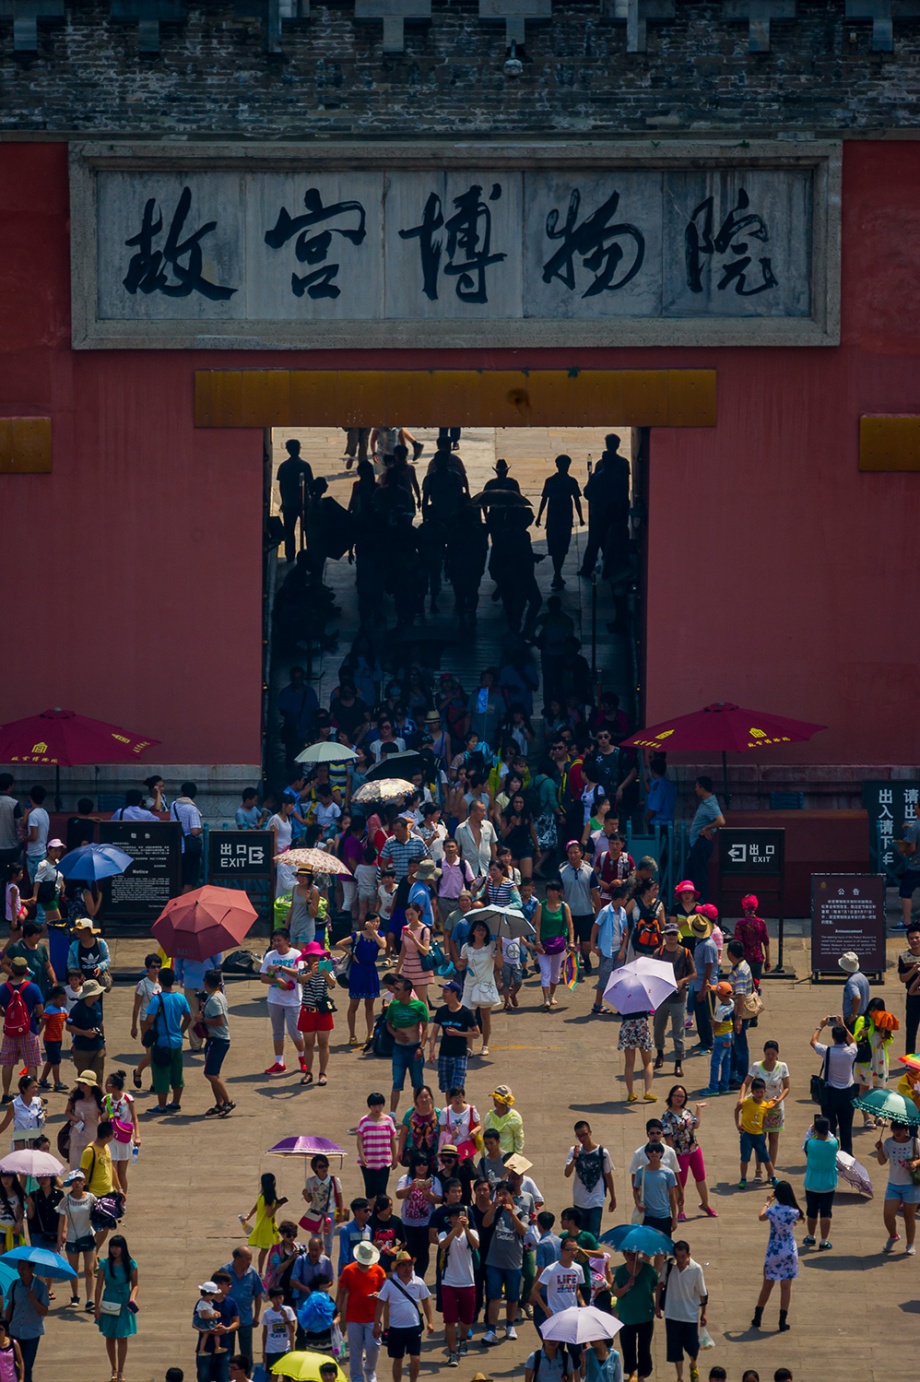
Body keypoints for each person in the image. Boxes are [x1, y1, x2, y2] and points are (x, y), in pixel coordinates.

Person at [373, 1250, 434, 1382]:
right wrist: (377, 1324)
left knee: (415, 1358)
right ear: (398, 1267)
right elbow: (380, 1304)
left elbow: (426, 1302)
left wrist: (430, 1322)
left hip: (414, 1327)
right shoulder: (389, 1284)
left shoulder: (419, 1282)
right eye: (404, 1265)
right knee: (398, 1358)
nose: (408, 1269)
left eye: (410, 1265)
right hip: (396, 1327)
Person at [481, 1179, 527, 1345]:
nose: (502, 1197)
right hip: (494, 1262)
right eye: (499, 1194)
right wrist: (494, 1206)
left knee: (513, 1298)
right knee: (493, 1297)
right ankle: (491, 1330)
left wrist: (512, 1214)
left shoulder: (521, 1213)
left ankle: (509, 1326)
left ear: (512, 1194)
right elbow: (485, 1223)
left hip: (513, 1263)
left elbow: (523, 1231)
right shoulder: (496, 1211)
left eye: (505, 1194)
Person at [751, 1182, 801, 1332]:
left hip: (774, 1250)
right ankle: (782, 1321)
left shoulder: (773, 1211)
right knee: (786, 1288)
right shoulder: (795, 1212)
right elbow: (796, 1222)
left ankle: (758, 1317)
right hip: (789, 1251)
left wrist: (767, 1201)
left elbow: (761, 1217)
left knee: (767, 1285)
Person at [662, 1086, 717, 1220]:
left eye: (681, 1096)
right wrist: (672, 1155)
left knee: (701, 1177)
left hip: (694, 1149)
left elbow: (695, 1125)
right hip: (679, 1153)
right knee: (681, 1183)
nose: (679, 1098)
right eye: (676, 1095)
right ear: (671, 1097)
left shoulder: (687, 1111)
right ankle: (680, 1209)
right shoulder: (667, 1116)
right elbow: (668, 1137)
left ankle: (705, 1204)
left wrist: (698, 1109)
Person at [141, 968, 191, 1114]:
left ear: (160, 981)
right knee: (177, 1074)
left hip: (162, 1043)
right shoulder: (181, 998)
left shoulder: (157, 999)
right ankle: (175, 1102)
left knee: (161, 1075)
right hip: (177, 1043)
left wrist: (145, 1034)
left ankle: (161, 1106)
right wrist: (181, 1032)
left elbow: (149, 1020)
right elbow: (188, 1017)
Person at [657, 1239, 707, 1382]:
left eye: (683, 1256)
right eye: (677, 1256)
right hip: (672, 1313)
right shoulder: (669, 1266)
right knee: (675, 1349)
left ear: (689, 1255)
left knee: (692, 1347)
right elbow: (660, 1285)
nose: (679, 1260)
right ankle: (680, 1377)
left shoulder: (696, 1269)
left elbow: (703, 1293)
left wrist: (704, 1313)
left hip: (690, 1315)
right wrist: (657, 1307)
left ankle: (693, 1364)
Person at [259, 929, 306, 1077]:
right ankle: (279, 1062)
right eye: (274, 941)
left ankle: (303, 1057)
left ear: (287, 941)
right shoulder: (270, 956)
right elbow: (263, 978)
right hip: (275, 999)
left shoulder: (296, 955)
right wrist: (277, 980)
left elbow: (300, 975)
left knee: (295, 1032)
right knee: (278, 1032)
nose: (276, 943)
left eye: (279, 940)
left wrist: (281, 968)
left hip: (293, 1000)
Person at [739, 1040, 791, 1175]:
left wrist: (778, 1100)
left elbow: (787, 1087)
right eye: (768, 1054)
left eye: (773, 1054)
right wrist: (742, 1098)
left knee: (774, 1139)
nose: (770, 1056)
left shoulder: (782, 1066)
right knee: (759, 1139)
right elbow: (745, 1083)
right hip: (757, 1106)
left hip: (775, 1107)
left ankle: (771, 1171)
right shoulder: (757, 1066)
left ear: (777, 1054)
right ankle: (758, 1170)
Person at [337, 1240, 386, 1382]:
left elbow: (385, 1291)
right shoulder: (348, 1270)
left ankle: (370, 1371)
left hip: (372, 1318)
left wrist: (378, 1295)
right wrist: (337, 1311)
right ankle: (357, 1378)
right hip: (353, 1317)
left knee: (373, 1348)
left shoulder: (379, 1271)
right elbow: (341, 1292)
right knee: (355, 1351)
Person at [437, 1202, 479, 1366]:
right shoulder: (444, 1233)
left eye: (462, 1216)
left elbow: (476, 1245)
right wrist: (455, 1230)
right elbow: (442, 1245)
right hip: (449, 1282)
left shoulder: (472, 1232)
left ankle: (462, 1340)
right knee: (449, 1320)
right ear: (451, 1219)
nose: (459, 1219)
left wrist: (466, 1229)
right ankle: (452, 1352)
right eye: (456, 1217)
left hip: (467, 1282)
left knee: (467, 1319)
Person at [94, 1233, 138, 1382]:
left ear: (123, 1248)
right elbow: (99, 1286)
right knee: (110, 1336)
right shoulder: (105, 1264)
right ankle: (114, 1368)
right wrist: (97, 1306)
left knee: (123, 1337)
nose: (115, 1250)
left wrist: (132, 1298)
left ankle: (121, 1371)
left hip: (125, 1300)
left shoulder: (131, 1264)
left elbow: (135, 1285)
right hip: (109, 1300)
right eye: (112, 1247)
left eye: (117, 1247)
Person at [810, 1017, 858, 1155]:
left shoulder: (828, 1051)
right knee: (846, 1127)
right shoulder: (851, 1052)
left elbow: (813, 1042)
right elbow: (853, 1041)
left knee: (829, 1126)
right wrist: (843, 1026)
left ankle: (830, 1151)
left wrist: (821, 1025)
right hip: (848, 1093)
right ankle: (847, 1154)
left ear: (833, 1037)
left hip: (830, 1094)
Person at [536, 454, 584, 590]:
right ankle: (558, 573)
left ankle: (557, 573)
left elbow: (544, 499)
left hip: (554, 517)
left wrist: (539, 516)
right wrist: (580, 517)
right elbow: (576, 500)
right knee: (561, 547)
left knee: (556, 546)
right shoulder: (571, 481)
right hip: (564, 517)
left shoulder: (550, 481)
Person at [654, 924, 695, 1076]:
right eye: (668, 934)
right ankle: (659, 1053)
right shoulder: (659, 953)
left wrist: (682, 981)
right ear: (664, 936)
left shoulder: (685, 952)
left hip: (679, 997)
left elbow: (693, 973)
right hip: (662, 997)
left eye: (674, 934)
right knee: (659, 1028)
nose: (671, 937)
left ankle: (678, 1061)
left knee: (678, 1031)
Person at [339, 912, 386, 1046]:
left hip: (370, 970)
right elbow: (340, 943)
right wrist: (351, 954)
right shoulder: (358, 935)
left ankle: (370, 1033)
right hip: (357, 970)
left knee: (369, 1005)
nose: (376, 924)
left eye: (377, 921)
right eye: (373, 921)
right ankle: (352, 1034)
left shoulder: (380, 935)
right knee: (354, 1004)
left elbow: (383, 945)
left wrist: (373, 931)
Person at [563, 1121, 616, 1239]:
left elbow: (608, 1175)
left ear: (590, 1132)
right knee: (580, 1235)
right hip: (579, 1200)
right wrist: (575, 1157)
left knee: (593, 1235)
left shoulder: (602, 1152)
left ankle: (592, 1257)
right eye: (579, 1135)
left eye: (584, 1134)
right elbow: (567, 1173)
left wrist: (613, 1197)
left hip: (596, 1200)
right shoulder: (574, 1151)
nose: (582, 1138)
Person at [456, 917, 501, 1054]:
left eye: (483, 929)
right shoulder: (466, 947)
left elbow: (499, 965)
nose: (481, 932)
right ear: (473, 932)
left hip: (486, 985)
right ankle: (469, 1047)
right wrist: (458, 965)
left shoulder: (492, 945)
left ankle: (485, 1045)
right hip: (470, 985)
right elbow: (462, 964)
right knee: (470, 1016)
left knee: (485, 1017)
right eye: (478, 929)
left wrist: (499, 947)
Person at [0, 958, 44, 1097]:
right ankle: (31, 1094)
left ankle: (6, 1093)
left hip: (10, 1031)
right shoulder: (33, 988)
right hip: (29, 1029)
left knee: (8, 1064)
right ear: (26, 971)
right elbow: (40, 1010)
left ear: (11, 970)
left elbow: (0, 1010)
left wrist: (6, 1014)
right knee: (31, 1063)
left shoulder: (3, 988)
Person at [875, 1119, 920, 1255]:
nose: (897, 1132)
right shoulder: (889, 1143)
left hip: (911, 1185)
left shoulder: (914, 1142)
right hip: (893, 1184)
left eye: (900, 1129)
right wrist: (879, 1150)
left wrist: (915, 1163)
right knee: (888, 1215)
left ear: (906, 1129)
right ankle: (893, 1235)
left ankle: (910, 1244)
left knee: (909, 1216)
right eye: (894, 1129)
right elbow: (882, 1162)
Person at [612, 1248, 657, 1382]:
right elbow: (617, 1293)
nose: (630, 1257)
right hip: (627, 1316)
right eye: (627, 1254)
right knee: (628, 1346)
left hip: (645, 1315)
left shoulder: (648, 1270)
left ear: (638, 1254)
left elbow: (656, 1284)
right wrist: (628, 1285)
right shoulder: (620, 1271)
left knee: (644, 1347)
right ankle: (632, 1373)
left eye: (633, 1254)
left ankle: (642, 1374)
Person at [427, 982, 479, 1095]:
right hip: (444, 1054)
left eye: (446, 991)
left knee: (457, 1089)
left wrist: (458, 1033)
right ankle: (449, 1111)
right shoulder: (441, 1011)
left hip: (459, 1055)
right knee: (447, 1090)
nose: (443, 994)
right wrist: (431, 1051)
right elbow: (434, 1032)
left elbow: (476, 1033)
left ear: (454, 993)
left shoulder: (466, 1013)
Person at [386, 977, 429, 1112]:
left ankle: (419, 1111)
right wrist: (395, 1034)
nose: (395, 992)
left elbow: (425, 1028)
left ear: (407, 991)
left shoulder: (419, 1006)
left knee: (417, 1082)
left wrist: (421, 1048)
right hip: (399, 1048)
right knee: (397, 1082)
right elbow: (388, 1023)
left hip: (414, 1047)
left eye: (398, 989)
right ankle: (392, 1113)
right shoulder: (394, 1005)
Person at [3, 1258, 48, 1382]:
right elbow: (11, 1306)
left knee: (27, 1366)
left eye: (24, 1268)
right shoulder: (15, 1285)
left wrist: (33, 1300)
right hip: (15, 1331)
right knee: (13, 1365)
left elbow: (44, 1311)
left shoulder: (40, 1287)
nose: (20, 1271)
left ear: (32, 1269)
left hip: (32, 1333)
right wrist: (6, 1328)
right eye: (19, 1267)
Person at [533, 880, 574, 1011]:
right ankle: (545, 998)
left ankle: (551, 994)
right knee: (545, 971)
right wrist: (537, 941)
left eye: (553, 890)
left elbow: (570, 924)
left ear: (559, 892)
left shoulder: (564, 907)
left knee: (555, 973)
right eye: (549, 890)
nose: (551, 893)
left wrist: (571, 940)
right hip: (543, 945)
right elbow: (537, 925)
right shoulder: (541, 906)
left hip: (558, 944)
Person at [218, 1247, 263, 1367]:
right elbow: (215, 1293)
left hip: (246, 1319)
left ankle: (246, 1377)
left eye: (251, 1259)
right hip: (227, 1320)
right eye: (247, 1259)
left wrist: (257, 1316)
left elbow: (258, 1294)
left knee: (246, 1353)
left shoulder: (252, 1273)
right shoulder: (224, 1271)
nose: (249, 1262)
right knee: (228, 1351)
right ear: (237, 1259)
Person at [685, 778, 724, 904]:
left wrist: (707, 828)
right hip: (697, 843)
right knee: (692, 872)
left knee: (700, 875)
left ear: (702, 788)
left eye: (697, 786)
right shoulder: (705, 803)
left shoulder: (710, 804)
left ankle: (702, 901)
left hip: (701, 843)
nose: (695, 789)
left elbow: (721, 821)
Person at [802, 1115, 838, 1251]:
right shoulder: (835, 1143)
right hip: (829, 1183)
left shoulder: (810, 1144)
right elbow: (833, 1137)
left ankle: (811, 1237)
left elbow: (805, 1146)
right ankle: (824, 1240)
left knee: (811, 1211)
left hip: (812, 1182)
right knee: (826, 1212)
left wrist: (810, 1132)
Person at [735, 1078, 777, 1189]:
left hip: (759, 1135)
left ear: (765, 1092)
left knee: (766, 1158)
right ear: (752, 1092)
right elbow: (737, 1110)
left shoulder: (765, 1106)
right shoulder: (746, 1102)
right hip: (747, 1135)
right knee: (744, 1158)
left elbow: (764, 1120)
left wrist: (763, 1132)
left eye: (761, 1092)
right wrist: (737, 1124)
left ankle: (773, 1177)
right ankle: (743, 1178)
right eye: (757, 1092)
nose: (759, 1094)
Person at [103, 1070, 139, 1196]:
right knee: (112, 1170)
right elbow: (102, 1119)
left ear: (115, 1087)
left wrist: (137, 1136)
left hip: (125, 1138)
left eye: (107, 1084)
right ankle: (113, 1196)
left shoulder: (127, 1099)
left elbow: (134, 1118)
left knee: (121, 1172)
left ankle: (122, 1198)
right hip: (110, 1139)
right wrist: (105, 1115)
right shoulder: (106, 1099)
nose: (105, 1086)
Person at [686, 915, 718, 1056]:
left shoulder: (708, 945)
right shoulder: (699, 942)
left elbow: (709, 967)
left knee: (706, 1016)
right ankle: (702, 1040)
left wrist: (704, 989)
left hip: (705, 986)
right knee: (699, 1015)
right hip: (697, 983)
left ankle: (709, 1043)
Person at [242, 1172, 286, 1274]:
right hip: (266, 1227)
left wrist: (249, 1216)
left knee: (272, 1248)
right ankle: (262, 1271)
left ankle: (264, 1270)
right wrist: (277, 1206)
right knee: (266, 1249)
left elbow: (257, 1205)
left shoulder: (263, 1195)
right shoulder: (269, 1197)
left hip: (268, 1226)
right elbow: (269, 1214)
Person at [66, 976, 106, 1087]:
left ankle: (98, 1101)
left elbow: (100, 1023)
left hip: (98, 1047)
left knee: (98, 1078)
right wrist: (85, 1033)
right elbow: (69, 1027)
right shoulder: (77, 1009)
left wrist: (103, 1041)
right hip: (82, 1049)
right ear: (91, 994)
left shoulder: (97, 1006)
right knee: (84, 1080)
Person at [130, 954, 161, 1090]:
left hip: (160, 1020)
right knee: (151, 1053)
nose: (156, 969)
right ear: (147, 968)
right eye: (153, 967)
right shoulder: (142, 984)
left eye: (158, 966)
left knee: (158, 1052)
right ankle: (138, 1072)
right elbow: (136, 1006)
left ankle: (155, 1082)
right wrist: (134, 1026)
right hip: (145, 1021)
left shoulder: (162, 983)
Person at [170, 783, 204, 894]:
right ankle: (185, 905)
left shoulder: (173, 805)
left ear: (182, 792)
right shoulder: (192, 809)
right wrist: (201, 829)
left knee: (179, 879)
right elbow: (194, 831)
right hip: (189, 850)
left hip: (176, 847)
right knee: (189, 881)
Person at [734, 895, 771, 979]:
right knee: (756, 983)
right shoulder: (761, 923)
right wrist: (768, 960)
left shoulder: (740, 924)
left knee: (744, 984)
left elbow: (738, 943)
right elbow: (766, 942)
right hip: (758, 958)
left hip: (744, 958)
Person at [260, 1285, 295, 1375]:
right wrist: (264, 1352)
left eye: (280, 1297)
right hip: (272, 1349)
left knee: (287, 1375)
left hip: (285, 1349)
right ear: (270, 1299)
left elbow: (292, 1329)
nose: (278, 1301)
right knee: (273, 1375)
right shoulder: (267, 1314)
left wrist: (286, 1318)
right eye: (275, 1298)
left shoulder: (288, 1310)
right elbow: (265, 1333)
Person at [897, 920, 920, 1054]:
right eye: (911, 938)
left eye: (917, 937)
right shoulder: (904, 957)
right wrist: (914, 970)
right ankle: (910, 1060)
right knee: (911, 1030)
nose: (914, 940)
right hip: (912, 997)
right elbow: (902, 979)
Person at [839, 950, 870, 1027]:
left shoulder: (851, 982)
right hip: (863, 1016)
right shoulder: (862, 977)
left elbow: (857, 997)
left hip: (853, 1020)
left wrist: (853, 1015)